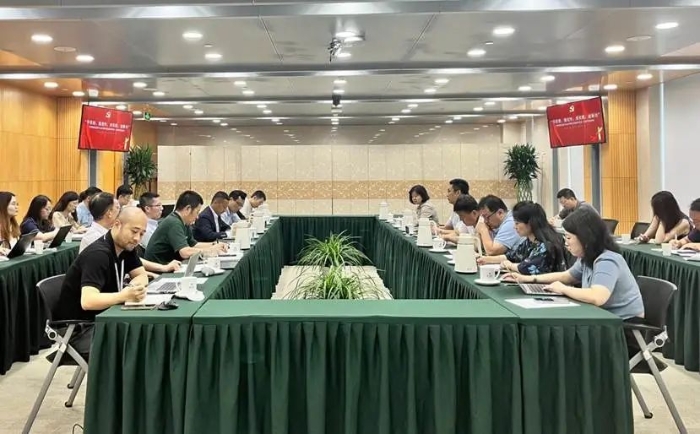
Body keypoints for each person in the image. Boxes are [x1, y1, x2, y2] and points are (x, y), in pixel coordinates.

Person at [503, 207, 644, 319]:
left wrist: (563, 289)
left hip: (624, 324)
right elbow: (567, 276)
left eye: (569, 238)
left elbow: (597, 297)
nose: (566, 243)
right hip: (602, 318)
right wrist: (527, 279)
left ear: (585, 238)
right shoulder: (587, 257)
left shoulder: (607, 260)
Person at [53, 206, 150, 354]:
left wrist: (133, 288)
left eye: (142, 234)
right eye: (134, 231)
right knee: (139, 343)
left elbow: (141, 275)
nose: (137, 238)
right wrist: (124, 295)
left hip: (103, 318)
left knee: (144, 334)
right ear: (117, 224)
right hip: (79, 329)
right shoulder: (98, 254)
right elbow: (88, 301)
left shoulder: (126, 247)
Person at [478, 201, 567, 275]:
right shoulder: (529, 241)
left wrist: (510, 265)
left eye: (517, 223)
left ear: (530, 223)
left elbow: (527, 267)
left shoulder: (546, 244)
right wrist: (485, 259)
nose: (514, 227)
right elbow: (511, 256)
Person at [145, 190, 227, 264]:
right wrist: (210, 250)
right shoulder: (173, 222)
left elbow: (193, 244)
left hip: (171, 265)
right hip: (159, 269)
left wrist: (215, 244)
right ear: (188, 209)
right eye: (197, 212)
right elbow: (184, 252)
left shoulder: (184, 222)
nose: (197, 217)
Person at [0, 191, 20, 256]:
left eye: (17, 204)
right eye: (13, 204)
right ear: (3, 206)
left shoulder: (14, 225)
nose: (16, 207)